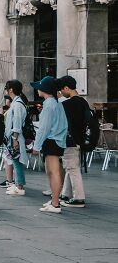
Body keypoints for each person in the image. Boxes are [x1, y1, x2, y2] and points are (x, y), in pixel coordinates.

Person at [31, 76, 68, 214]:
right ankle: (54, 200)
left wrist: (37, 145)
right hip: (57, 141)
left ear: (44, 89)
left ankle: (55, 203)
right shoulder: (56, 103)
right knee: (53, 171)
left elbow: (44, 128)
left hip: (51, 141)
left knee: (53, 172)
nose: (37, 90)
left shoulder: (49, 104)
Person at [57, 75, 87, 208]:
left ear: (66, 88)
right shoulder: (83, 102)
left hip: (71, 140)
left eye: (61, 90)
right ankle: (66, 193)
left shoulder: (67, 104)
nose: (61, 93)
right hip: (80, 139)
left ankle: (79, 198)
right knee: (70, 166)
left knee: (72, 168)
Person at [0, 82, 29, 192]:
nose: (5, 91)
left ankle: (19, 186)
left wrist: (15, 138)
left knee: (17, 161)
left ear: (10, 90)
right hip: (13, 136)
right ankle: (18, 183)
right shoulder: (17, 103)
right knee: (15, 160)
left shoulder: (17, 104)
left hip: (14, 137)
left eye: (6, 88)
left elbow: (16, 122)